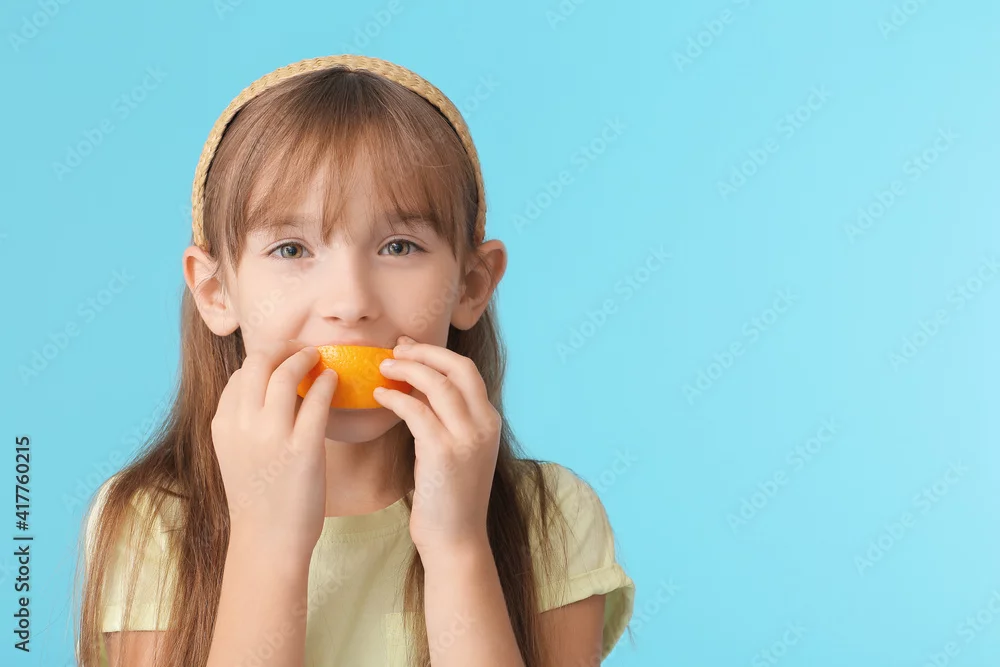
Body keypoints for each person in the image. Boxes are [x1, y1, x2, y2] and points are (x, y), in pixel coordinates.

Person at [75, 54, 635, 667]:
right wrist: (267, 543)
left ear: (472, 285)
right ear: (216, 293)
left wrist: (457, 547)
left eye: (399, 246)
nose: (351, 303)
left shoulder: (551, 519)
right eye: (291, 249)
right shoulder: (151, 521)